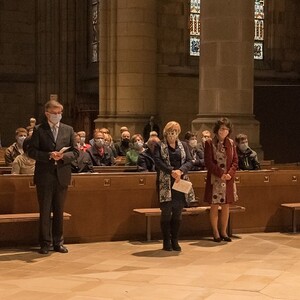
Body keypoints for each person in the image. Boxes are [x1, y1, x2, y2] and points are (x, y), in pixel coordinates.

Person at [28, 100, 79, 254]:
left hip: (62, 175)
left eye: (59, 113)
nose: (57, 115)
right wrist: (49, 155)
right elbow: (31, 152)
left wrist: (62, 156)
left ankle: (58, 242)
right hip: (45, 175)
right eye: (54, 113)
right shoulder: (39, 130)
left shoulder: (68, 130)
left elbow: (75, 152)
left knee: (59, 210)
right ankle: (45, 243)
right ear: (47, 113)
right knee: (45, 211)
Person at [153, 121, 194, 251]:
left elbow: (189, 161)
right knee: (166, 213)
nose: (173, 134)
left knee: (177, 213)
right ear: (166, 132)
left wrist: (180, 171)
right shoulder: (159, 145)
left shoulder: (184, 145)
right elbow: (158, 161)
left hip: (179, 182)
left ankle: (175, 240)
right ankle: (166, 241)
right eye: (170, 131)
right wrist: (171, 171)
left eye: (175, 131)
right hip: (166, 183)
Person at [204, 117, 238, 243]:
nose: (224, 131)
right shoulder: (209, 143)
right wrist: (221, 173)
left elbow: (235, 161)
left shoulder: (231, 143)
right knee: (214, 205)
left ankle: (224, 231)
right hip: (215, 179)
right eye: (222, 129)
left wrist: (229, 173)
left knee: (226, 206)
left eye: (226, 129)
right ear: (217, 130)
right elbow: (208, 162)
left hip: (228, 179)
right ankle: (215, 232)